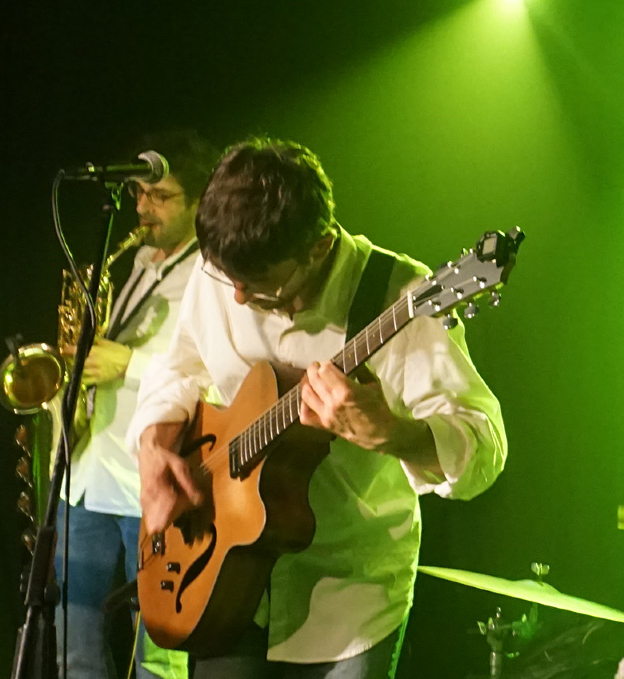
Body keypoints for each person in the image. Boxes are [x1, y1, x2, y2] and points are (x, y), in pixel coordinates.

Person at [128, 137, 507, 679]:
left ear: (317, 246)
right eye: (227, 278)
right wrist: (153, 445)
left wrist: (396, 434)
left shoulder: (398, 296)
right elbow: (179, 365)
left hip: (345, 595)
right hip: (219, 579)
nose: (235, 297)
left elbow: (486, 444)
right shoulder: (226, 269)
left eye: (257, 286)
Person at [56, 130, 218, 679]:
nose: (143, 207)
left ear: (201, 202)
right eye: (138, 195)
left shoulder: (212, 274)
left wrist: (127, 363)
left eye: (160, 196)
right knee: (71, 647)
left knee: (159, 658)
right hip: (86, 478)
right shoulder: (139, 262)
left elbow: (215, 379)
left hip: (150, 489)